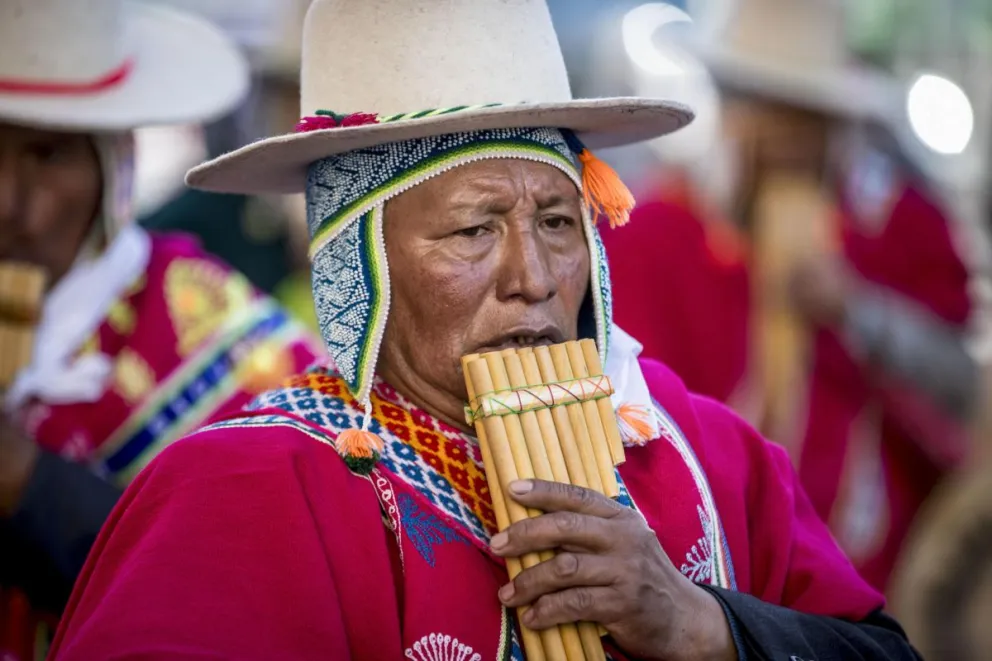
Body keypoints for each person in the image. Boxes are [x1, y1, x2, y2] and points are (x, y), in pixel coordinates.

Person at [50, 1, 920, 659]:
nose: (534, 279)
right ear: (362, 265)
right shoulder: (242, 490)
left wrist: (701, 622)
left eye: (555, 221)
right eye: (473, 231)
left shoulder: (701, 450)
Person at [604, 0, 980, 594]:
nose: (786, 140)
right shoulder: (651, 236)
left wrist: (857, 311)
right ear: (728, 109)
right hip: (712, 574)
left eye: (808, 119)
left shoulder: (900, 227)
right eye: (764, 111)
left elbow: (964, 393)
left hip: (888, 574)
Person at [0, 1, 322, 658]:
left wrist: (27, 484)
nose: (9, 203)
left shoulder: (241, 355)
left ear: (116, 162)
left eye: (49, 153)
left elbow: (262, 610)